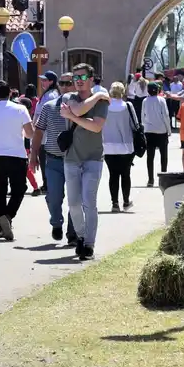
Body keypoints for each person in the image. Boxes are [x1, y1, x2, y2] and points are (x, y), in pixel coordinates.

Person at [60, 69, 109, 260]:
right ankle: (80, 236)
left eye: (82, 77)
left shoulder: (102, 102)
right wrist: (97, 95)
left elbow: (96, 126)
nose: (78, 81)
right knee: (73, 204)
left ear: (90, 79)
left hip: (93, 158)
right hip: (72, 158)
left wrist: (72, 117)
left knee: (89, 203)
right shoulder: (69, 96)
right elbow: (79, 110)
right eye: (75, 78)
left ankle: (89, 244)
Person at [0, 80, 33, 241]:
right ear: (10, 93)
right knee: (19, 189)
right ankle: (8, 216)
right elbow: (30, 133)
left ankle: (2, 222)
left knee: (0, 191)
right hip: (17, 155)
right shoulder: (20, 109)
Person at [30, 73, 76, 243]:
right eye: (62, 83)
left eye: (69, 83)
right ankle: (56, 222)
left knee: (75, 198)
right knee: (54, 196)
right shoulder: (49, 107)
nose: (65, 86)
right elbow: (39, 131)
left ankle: (73, 232)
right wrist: (33, 154)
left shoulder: (84, 107)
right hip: (54, 159)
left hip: (76, 160)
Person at [102, 81, 138, 212]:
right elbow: (135, 125)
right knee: (125, 174)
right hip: (126, 146)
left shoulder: (105, 107)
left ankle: (115, 203)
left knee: (113, 175)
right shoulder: (128, 106)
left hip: (108, 146)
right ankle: (126, 201)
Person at [140, 80, 171, 185]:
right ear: (158, 90)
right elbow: (165, 115)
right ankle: (164, 178)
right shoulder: (161, 100)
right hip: (161, 130)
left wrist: (144, 127)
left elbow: (142, 116)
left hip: (149, 131)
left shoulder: (145, 101)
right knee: (164, 156)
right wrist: (169, 130)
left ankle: (150, 179)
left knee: (150, 157)